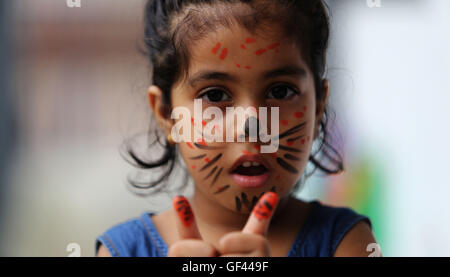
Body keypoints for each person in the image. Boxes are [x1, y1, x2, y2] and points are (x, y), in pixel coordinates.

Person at [96, 0, 379, 257]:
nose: (251, 128)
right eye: (215, 95)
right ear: (168, 115)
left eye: (280, 92)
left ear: (318, 108)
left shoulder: (349, 244)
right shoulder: (124, 252)